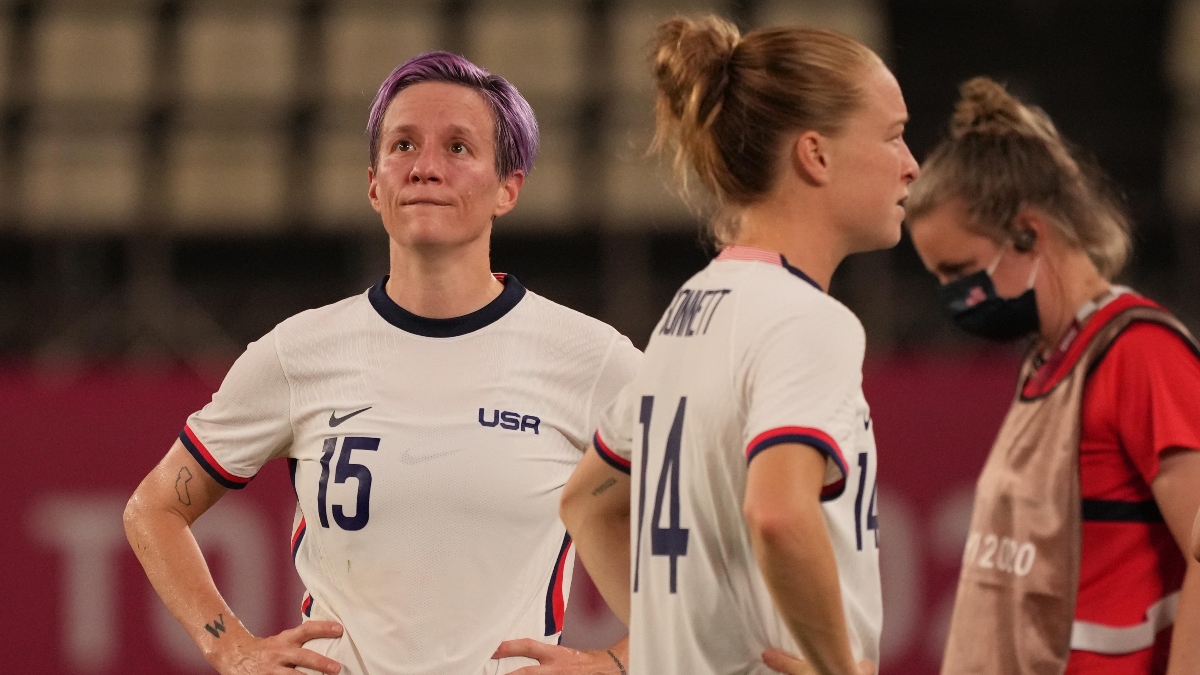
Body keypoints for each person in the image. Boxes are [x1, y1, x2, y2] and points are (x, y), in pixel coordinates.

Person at [122, 52, 637, 675]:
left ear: (508, 187)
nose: (425, 168)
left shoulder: (589, 357)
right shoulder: (298, 352)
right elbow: (153, 508)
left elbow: (716, 525)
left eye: (457, 147)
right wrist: (229, 647)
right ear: (374, 183)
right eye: (402, 146)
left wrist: (618, 663)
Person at [559, 15, 917, 675]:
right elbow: (779, 512)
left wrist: (684, 647)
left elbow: (586, 500)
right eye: (893, 136)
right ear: (816, 154)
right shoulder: (807, 320)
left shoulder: (688, 313)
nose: (910, 165)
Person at [904, 77, 1200, 674]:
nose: (952, 297)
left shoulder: (1140, 353)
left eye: (958, 269)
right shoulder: (1052, 360)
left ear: (1028, 233)